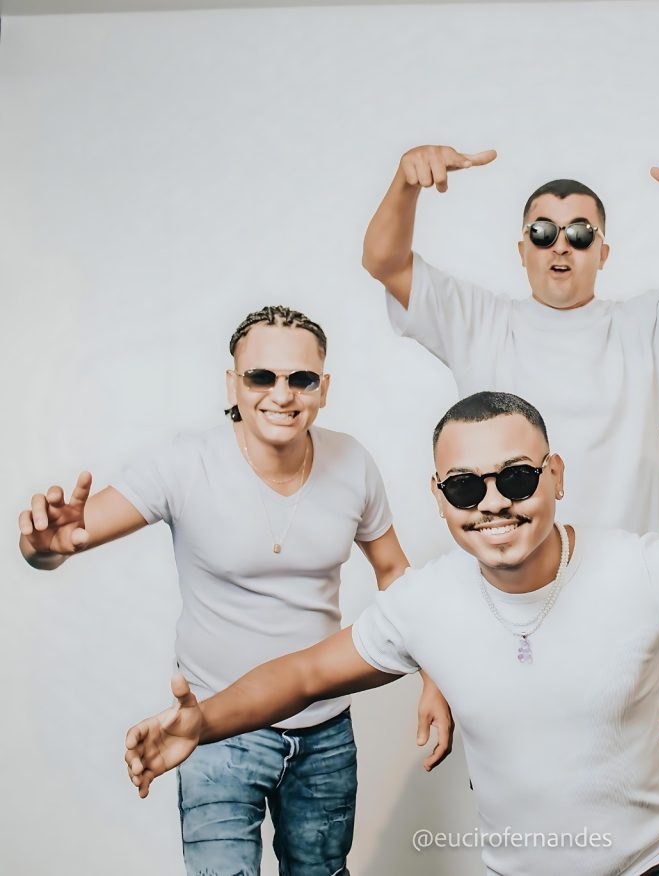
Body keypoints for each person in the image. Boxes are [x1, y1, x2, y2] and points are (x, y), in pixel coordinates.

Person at [125, 391, 659, 876]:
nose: (492, 503)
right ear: (439, 497)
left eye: (515, 478)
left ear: (555, 477)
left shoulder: (639, 567)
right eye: (464, 487)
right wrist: (203, 722)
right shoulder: (425, 603)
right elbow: (304, 676)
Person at [19, 306, 452, 876]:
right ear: (233, 384)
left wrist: (434, 677)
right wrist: (42, 546)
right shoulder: (185, 463)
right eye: (261, 377)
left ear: (323, 388)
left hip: (324, 731)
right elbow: (63, 542)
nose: (282, 394)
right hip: (215, 726)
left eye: (301, 379)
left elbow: (394, 572)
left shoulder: (352, 462)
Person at [361, 144, 659, 533]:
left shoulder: (646, 325)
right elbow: (384, 262)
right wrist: (405, 183)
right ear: (522, 250)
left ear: (602, 253)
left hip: (629, 569)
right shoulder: (477, 321)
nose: (560, 247)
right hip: (508, 564)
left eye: (579, 234)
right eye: (543, 233)